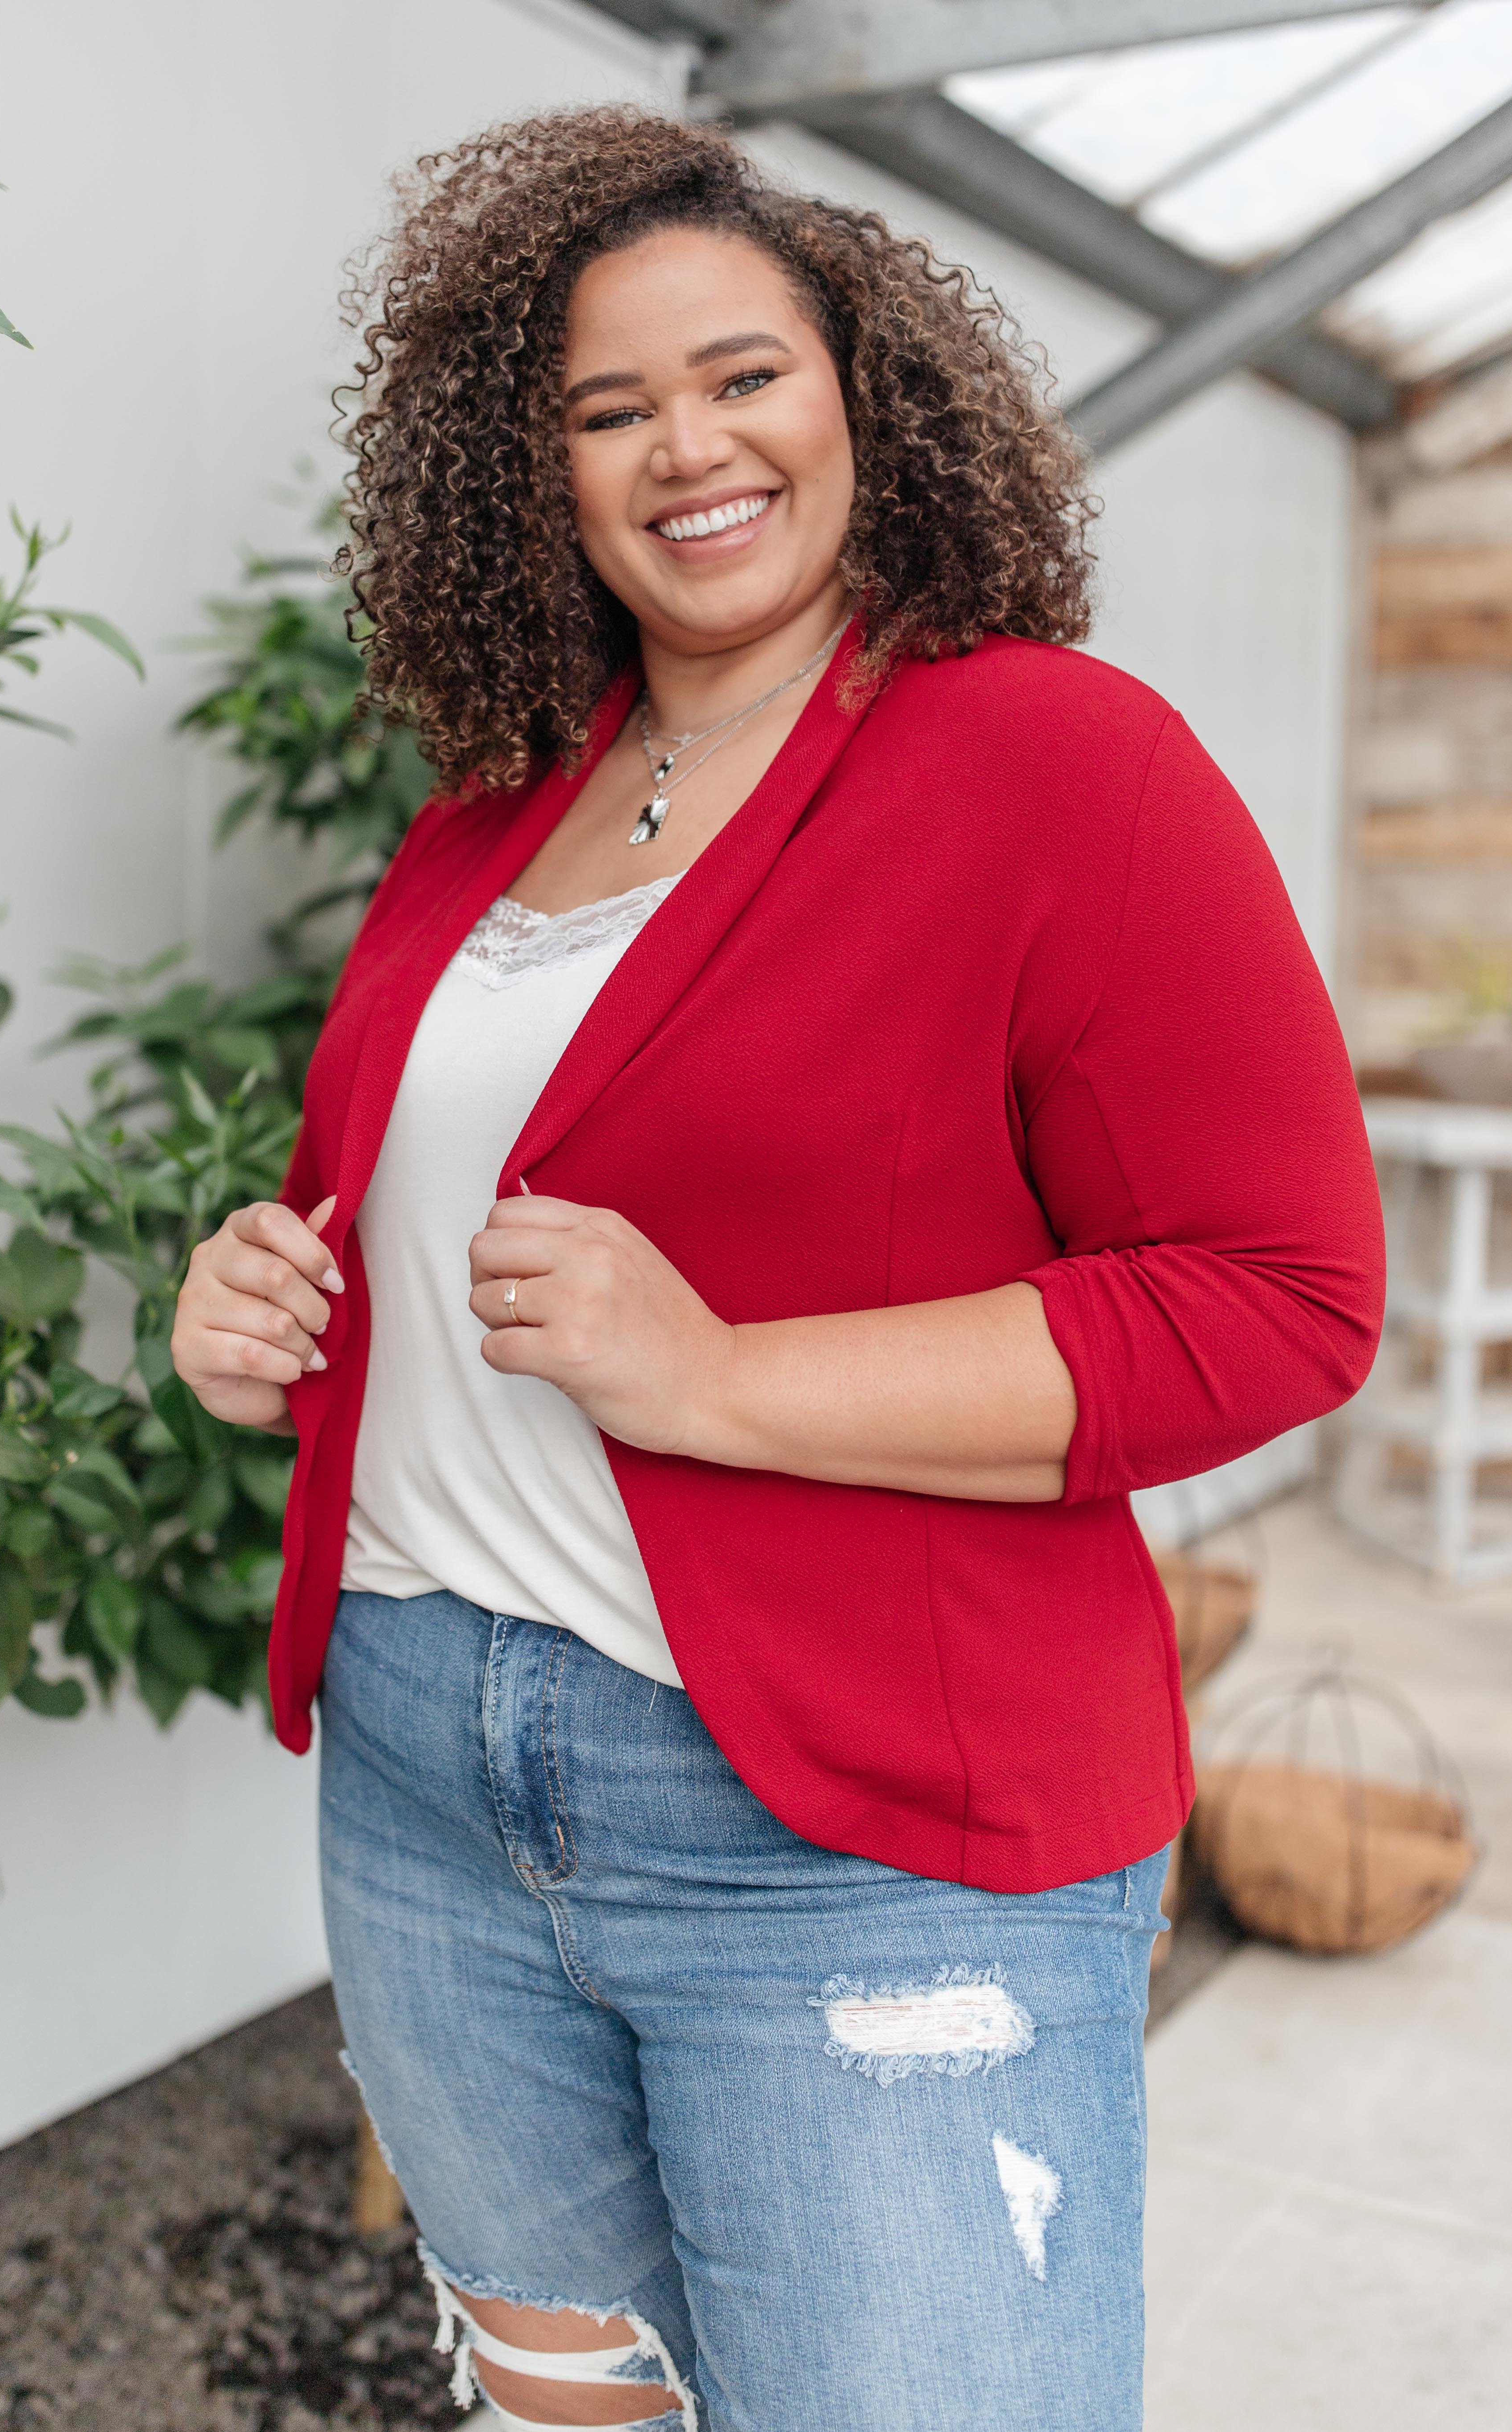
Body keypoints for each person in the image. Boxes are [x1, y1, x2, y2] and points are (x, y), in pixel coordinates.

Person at [172, 106, 1384, 2432]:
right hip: (432, 1782)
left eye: (741, 374)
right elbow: (425, 1207)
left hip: (847, 1839)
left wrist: (722, 1379)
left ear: (865, 391)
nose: (684, 448)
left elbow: (1276, 1291)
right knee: (570, 2404)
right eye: (602, 410)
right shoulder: (496, 804)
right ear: (528, 473)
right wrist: (274, 1310)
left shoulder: (1054, 762)